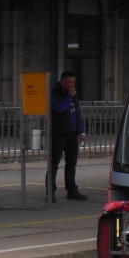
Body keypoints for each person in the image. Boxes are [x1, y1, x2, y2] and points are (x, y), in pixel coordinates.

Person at [48, 70, 87, 201]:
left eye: (73, 82)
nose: (72, 85)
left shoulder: (73, 94)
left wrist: (81, 131)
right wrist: (69, 97)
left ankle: (71, 189)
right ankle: (50, 191)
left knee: (71, 163)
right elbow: (58, 108)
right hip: (58, 134)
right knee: (53, 163)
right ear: (63, 82)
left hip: (72, 134)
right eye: (69, 82)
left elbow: (77, 112)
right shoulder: (55, 94)